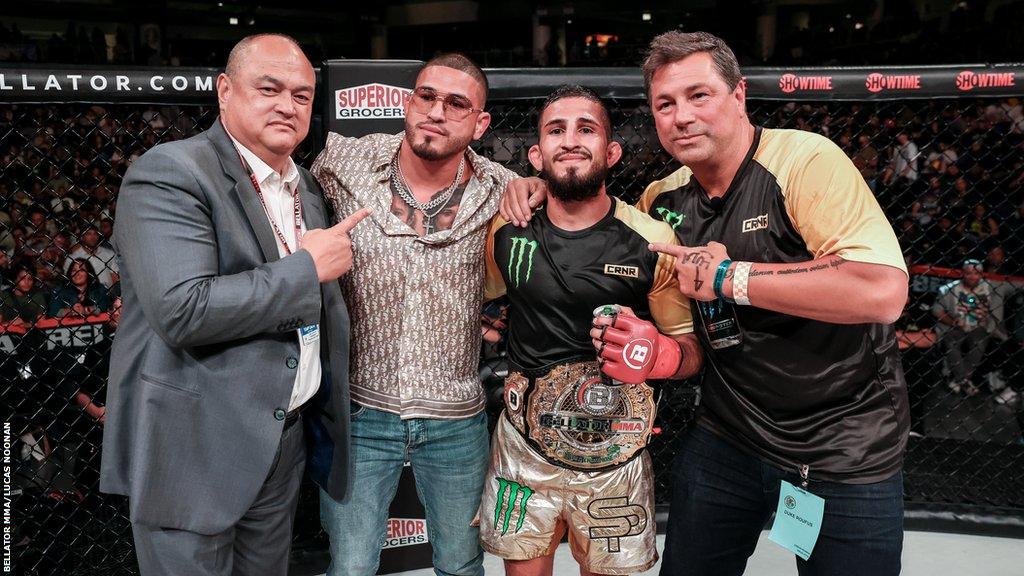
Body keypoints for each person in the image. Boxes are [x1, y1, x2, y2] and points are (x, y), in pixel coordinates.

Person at [502, 31, 910, 576]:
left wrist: (729, 278)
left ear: (738, 95)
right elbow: (602, 223)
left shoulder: (805, 161)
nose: (682, 116)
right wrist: (539, 185)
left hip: (843, 445)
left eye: (699, 96)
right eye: (665, 104)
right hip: (729, 434)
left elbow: (882, 292)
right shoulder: (661, 203)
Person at [100, 34, 368, 576]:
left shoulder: (306, 187)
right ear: (225, 90)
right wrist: (306, 268)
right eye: (268, 88)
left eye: (301, 94)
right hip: (192, 445)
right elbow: (183, 309)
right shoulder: (171, 172)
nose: (286, 105)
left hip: (280, 439)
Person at [479, 85, 703, 576]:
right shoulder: (507, 229)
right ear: (537, 153)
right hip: (524, 444)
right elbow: (475, 301)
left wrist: (661, 355)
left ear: (612, 151)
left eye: (587, 129)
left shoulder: (652, 239)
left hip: (614, 451)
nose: (571, 140)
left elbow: (691, 350)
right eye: (556, 130)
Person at [311, 53, 517, 576]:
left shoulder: (504, 191)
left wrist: (530, 187)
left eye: (456, 104)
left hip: (456, 416)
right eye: (426, 96)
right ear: (408, 102)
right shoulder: (343, 161)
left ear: (480, 122)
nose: (436, 112)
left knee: (461, 562)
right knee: (351, 565)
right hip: (360, 412)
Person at [932, 259, 1008, 397]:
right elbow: (937, 311)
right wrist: (953, 322)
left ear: (981, 274)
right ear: (962, 273)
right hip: (956, 327)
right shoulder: (948, 289)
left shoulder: (992, 287)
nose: (972, 276)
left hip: (980, 327)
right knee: (951, 340)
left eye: (976, 273)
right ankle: (965, 381)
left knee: (980, 341)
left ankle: (957, 379)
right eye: (968, 273)